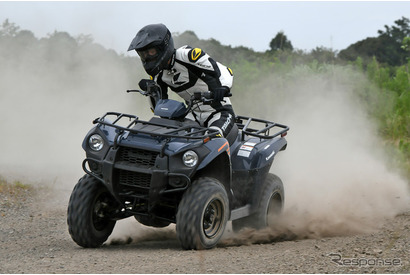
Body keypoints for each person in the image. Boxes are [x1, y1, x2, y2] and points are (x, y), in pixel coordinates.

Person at [128, 23, 236, 138]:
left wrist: (223, 87)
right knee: (170, 138)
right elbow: (158, 109)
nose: (147, 57)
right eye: (143, 54)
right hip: (192, 114)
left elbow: (224, 70)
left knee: (211, 139)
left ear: (163, 46)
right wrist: (152, 90)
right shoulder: (158, 74)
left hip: (220, 112)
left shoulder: (188, 56)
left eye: (151, 52)